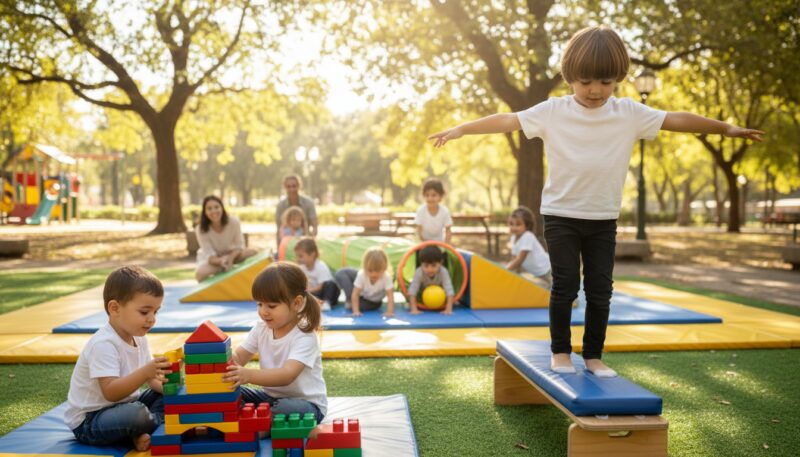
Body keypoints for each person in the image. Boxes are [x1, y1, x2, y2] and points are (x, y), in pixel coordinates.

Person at [428, 25, 763, 377]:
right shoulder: (553, 111)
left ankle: (593, 355)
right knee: (565, 284)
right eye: (586, 81)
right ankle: (560, 351)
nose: (595, 90)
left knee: (600, 289)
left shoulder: (629, 113)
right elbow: (508, 120)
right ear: (571, 75)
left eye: (605, 82)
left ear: (618, 78)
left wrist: (724, 128)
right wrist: (462, 129)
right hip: (560, 215)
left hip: (603, 218)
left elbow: (675, 119)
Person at [64, 266, 173, 451]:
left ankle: (140, 432)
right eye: (144, 312)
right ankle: (152, 428)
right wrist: (146, 371)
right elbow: (111, 393)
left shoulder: (139, 337)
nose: (152, 319)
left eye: (156, 311)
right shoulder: (104, 344)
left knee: (165, 398)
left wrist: (171, 390)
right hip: (91, 420)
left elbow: (152, 381)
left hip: (126, 406)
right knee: (136, 414)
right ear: (115, 308)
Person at [222, 262, 327, 425]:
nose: (263, 311)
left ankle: (258, 425)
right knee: (231, 390)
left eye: (271, 306)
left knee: (285, 407)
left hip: (306, 405)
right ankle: (260, 420)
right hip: (270, 398)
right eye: (259, 304)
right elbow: (239, 356)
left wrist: (248, 375)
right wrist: (223, 362)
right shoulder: (261, 329)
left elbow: (287, 375)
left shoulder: (304, 336)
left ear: (297, 303)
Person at [195, 195, 258, 282]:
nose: (213, 211)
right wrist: (221, 261)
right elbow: (209, 254)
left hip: (233, 255)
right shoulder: (200, 229)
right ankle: (223, 270)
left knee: (252, 253)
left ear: (222, 208)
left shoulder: (234, 222)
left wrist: (230, 259)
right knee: (200, 273)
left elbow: (240, 245)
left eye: (216, 207)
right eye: (209, 208)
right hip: (214, 260)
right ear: (205, 212)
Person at [334, 247, 396, 317]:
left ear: (384, 268)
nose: (374, 274)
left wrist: (389, 312)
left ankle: (351, 303)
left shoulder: (386, 277)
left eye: (378, 271)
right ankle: (350, 301)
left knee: (364, 305)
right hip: (361, 296)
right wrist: (356, 311)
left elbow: (390, 296)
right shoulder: (362, 274)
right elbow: (355, 293)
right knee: (341, 274)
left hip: (373, 302)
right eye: (370, 270)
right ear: (364, 267)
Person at [506, 206, 552, 288]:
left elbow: (520, 259)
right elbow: (514, 259)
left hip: (548, 270)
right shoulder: (513, 238)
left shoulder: (527, 236)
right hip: (538, 274)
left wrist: (506, 270)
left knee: (559, 292)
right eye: (511, 224)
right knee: (543, 291)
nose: (514, 227)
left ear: (527, 226)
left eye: (518, 224)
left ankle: (574, 301)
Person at [293, 237, 340, 312]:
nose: (298, 259)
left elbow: (320, 287)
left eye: (301, 256)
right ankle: (312, 304)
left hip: (326, 293)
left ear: (312, 254)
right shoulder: (302, 267)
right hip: (314, 294)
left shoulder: (320, 266)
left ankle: (326, 303)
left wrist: (307, 291)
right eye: (297, 256)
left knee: (331, 284)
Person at [407, 245, 455, 315]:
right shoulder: (419, 272)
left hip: (439, 298)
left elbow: (449, 289)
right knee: (409, 293)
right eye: (426, 266)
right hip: (422, 296)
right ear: (421, 264)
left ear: (441, 263)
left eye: (433, 265)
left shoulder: (443, 271)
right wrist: (414, 309)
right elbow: (412, 290)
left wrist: (448, 309)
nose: (430, 269)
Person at [276, 175, 318, 247]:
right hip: (287, 242)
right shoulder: (281, 205)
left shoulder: (308, 203)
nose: (292, 189)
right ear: (285, 188)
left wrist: (310, 240)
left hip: (304, 240)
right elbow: (279, 228)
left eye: (294, 186)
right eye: (288, 187)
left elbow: (315, 226)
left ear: (299, 186)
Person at [415, 178, 453, 244]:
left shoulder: (444, 211)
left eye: (434, 195)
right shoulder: (421, 211)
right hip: (423, 243)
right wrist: (423, 243)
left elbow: (448, 230)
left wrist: (446, 246)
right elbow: (418, 231)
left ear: (440, 196)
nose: (430, 198)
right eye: (427, 195)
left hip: (439, 243)